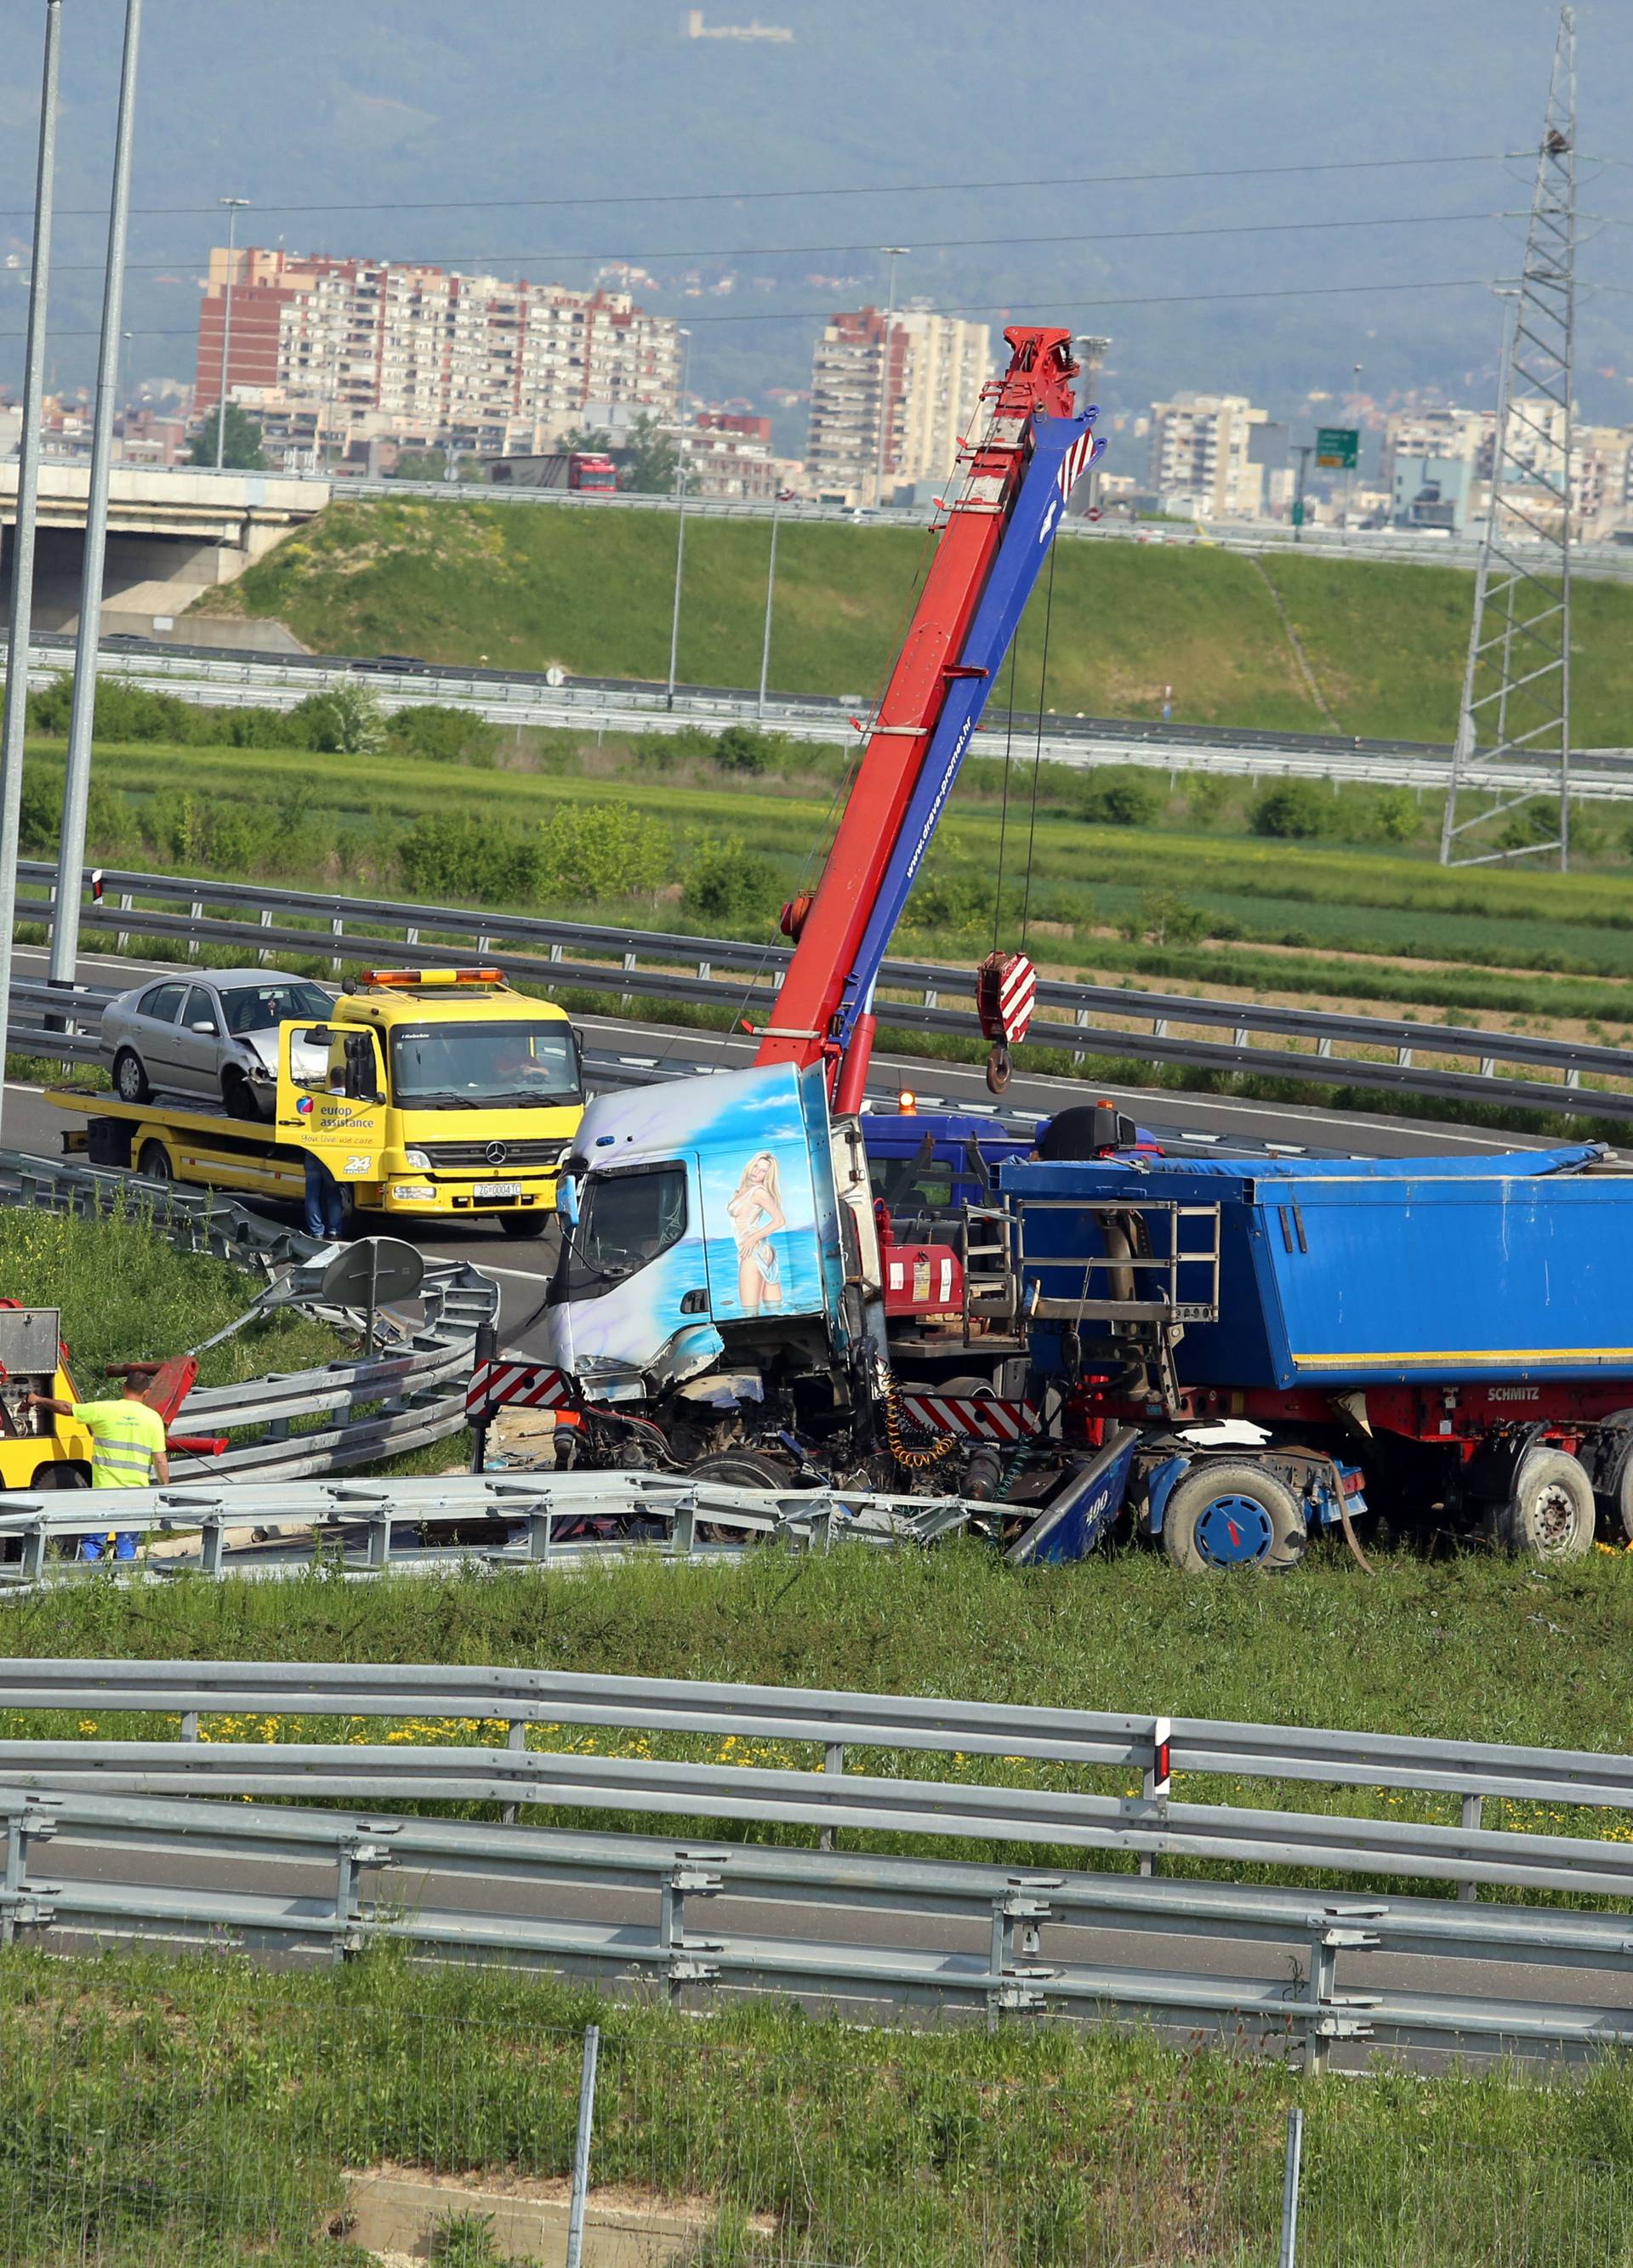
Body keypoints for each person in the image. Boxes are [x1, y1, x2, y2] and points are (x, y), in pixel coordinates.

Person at [26, 1375, 169, 1562]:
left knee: (93, 1543)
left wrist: (37, 1400)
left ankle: (84, 1581)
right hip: (135, 1495)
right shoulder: (153, 1418)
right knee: (127, 1545)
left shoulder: (104, 1409)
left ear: (124, 1387)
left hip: (103, 1493)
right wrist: (164, 1487)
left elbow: (66, 1408)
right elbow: (160, 1460)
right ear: (147, 1392)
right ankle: (123, 1583)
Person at [726, 1151, 786, 1314]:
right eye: (756, 1167)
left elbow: (780, 1220)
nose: (756, 1172)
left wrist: (753, 1238)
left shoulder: (759, 1192)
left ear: (767, 1176)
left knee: (749, 1311)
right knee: (774, 1311)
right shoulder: (740, 1192)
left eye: (763, 1171)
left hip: (753, 1251)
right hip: (760, 1250)